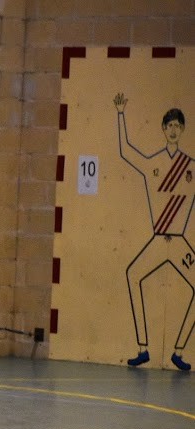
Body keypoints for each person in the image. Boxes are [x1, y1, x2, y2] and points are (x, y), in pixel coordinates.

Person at [114, 93, 194, 371]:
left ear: (182, 131)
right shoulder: (153, 163)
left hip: (180, 241)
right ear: (163, 129)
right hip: (159, 240)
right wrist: (121, 114)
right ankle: (143, 348)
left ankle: (178, 351)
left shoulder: (190, 167)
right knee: (133, 274)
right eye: (169, 125)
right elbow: (126, 150)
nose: (173, 130)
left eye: (177, 126)